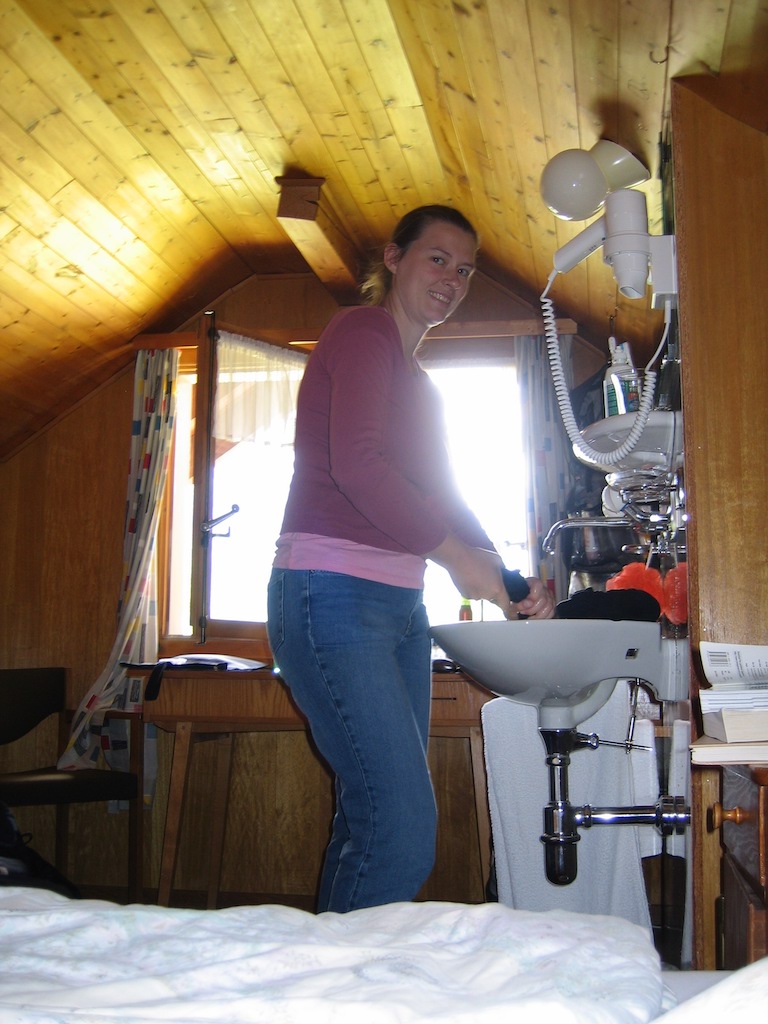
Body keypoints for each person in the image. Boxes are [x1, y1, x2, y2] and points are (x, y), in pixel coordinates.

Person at [267, 205, 555, 914]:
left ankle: (332, 987)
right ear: (394, 259)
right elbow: (358, 467)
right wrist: (459, 560)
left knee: (376, 817)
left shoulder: (420, 385)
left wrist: (505, 577)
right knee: (400, 829)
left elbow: (443, 494)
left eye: (464, 270)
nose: (453, 279)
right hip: (330, 593)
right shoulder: (361, 330)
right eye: (438, 259)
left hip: (398, 607)